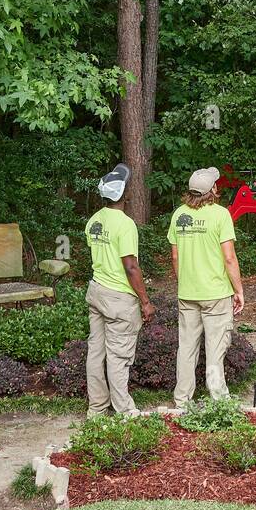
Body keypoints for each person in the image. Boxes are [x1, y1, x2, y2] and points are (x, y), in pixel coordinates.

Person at [166, 166, 244, 412]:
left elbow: (175, 257)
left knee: (187, 347)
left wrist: (184, 282)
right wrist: (239, 290)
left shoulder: (179, 214)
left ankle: (182, 401)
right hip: (216, 293)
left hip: (188, 293)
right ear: (212, 189)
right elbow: (229, 258)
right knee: (215, 347)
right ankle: (218, 400)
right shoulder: (220, 215)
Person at [84, 162, 155, 418]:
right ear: (124, 195)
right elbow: (131, 267)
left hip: (97, 291)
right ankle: (124, 411)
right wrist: (145, 301)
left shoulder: (94, 222)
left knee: (96, 353)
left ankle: (97, 408)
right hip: (118, 298)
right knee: (119, 356)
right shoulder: (125, 225)